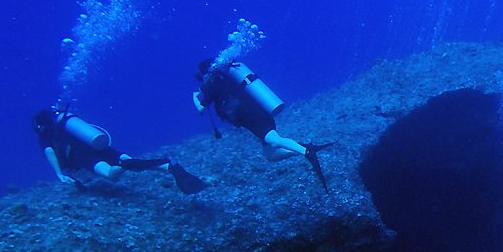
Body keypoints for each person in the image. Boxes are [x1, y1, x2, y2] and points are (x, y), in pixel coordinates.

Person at [193, 59, 332, 190]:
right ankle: (304, 148)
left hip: (251, 117)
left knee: (275, 140)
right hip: (258, 113)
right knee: (271, 156)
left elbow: (201, 108)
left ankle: (306, 152)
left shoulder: (213, 82)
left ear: (206, 73)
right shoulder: (227, 77)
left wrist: (194, 95)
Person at [33, 108, 207, 194]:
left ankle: (125, 163)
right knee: (131, 161)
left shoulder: (47, 135)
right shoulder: (67, 125)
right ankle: (166, 165)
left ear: (41, 125)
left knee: (111, 174)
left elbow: (49, 152)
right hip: (99, 145)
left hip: (82, 155)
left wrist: (59, 174)